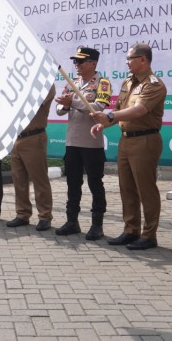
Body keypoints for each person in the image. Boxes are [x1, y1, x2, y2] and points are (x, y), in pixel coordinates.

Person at [91, 42, 167, 250]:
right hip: (125, 140)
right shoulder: (127, 82)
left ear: (143, 60)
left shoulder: (154, 84)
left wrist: (109, 116)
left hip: (145, 140)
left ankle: (149, 235)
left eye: (130, 58)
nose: (126, 62)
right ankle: (130, 230)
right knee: (127, 188)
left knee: (145, 189)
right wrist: (104, 124)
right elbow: (118, 109)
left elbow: (139, 110)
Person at [54, 46, 112, 240]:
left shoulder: (102, 83)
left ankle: (97, 225)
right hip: (72, 142)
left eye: (80, 61)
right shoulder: (73, 83)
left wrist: (73, 103)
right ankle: (72, 221)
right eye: (75, 61)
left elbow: (98, 108)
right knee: (72, 183)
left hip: (92, 144)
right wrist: (64, 104)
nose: (76, 65)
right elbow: (59, 110)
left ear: (93, 63)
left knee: (95, 183)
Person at [6, 86, 56, 231]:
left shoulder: (47, 84)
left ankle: (45, 216)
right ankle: (22, 214)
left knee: (39, 179)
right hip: (18, 137)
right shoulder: (23, 85)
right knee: (19, 179)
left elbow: (33, 103)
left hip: (34, 136)